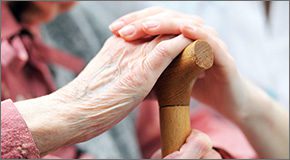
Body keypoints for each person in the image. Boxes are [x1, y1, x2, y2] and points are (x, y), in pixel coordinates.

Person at [1, 2, 288, 159]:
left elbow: (189, 132)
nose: (67, 6)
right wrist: (72, 108)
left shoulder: (87, 23)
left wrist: (246, 107)